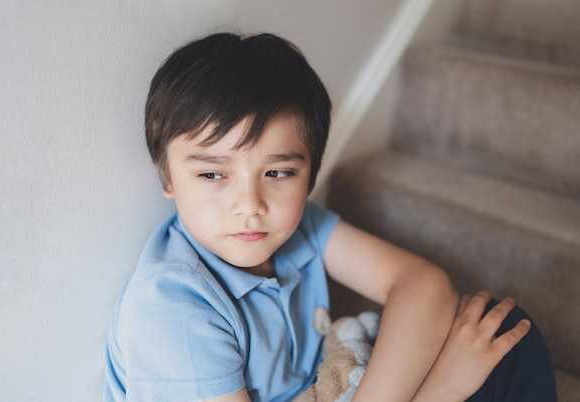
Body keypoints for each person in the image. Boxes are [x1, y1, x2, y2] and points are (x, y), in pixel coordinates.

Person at [104, 32, 557, 402]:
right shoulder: (172, 307)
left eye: (278, 172)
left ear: (309, 174)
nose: (250, 203)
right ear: (167, 178)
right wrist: (442, 390)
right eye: (211, 174)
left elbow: (423, 284)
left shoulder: (296, 227)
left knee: (501, 333)